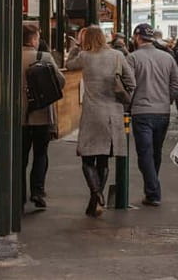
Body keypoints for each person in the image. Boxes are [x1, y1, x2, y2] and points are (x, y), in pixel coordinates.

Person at [65, 26, 136, 217]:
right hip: (113, 112)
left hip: (92, 113)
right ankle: (97, 199)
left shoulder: (85, 57)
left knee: (87, 157)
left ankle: (96, 195)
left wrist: (76, 46)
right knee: (103, 159)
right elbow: (132, 82)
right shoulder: (117, 56)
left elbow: (69, 64)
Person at [127, 23, 178, 206]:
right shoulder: (167, 58)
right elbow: (177, 84)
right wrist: (167, 99)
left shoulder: (132, 58)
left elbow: (129, 85)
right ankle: (152, 188)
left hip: (141, 112)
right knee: (155, 152)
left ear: (137, 37)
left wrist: (129, 103)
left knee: (145, 153)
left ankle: (153, 192)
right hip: (162, 112)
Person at [21, 23, 65, 210]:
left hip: (18, 116)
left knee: (20, 157)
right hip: (42, 115)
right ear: (33, 39)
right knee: (40, 154)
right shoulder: (44, 57)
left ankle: (19, 195)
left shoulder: (9, 56)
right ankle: (38, 192)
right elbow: (61, 82)